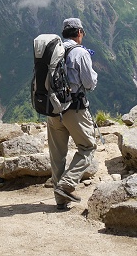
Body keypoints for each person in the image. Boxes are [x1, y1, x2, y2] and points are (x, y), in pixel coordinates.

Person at [47, 17, 98, 210]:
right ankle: (67, 185)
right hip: (73, 109)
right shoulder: (80, 52)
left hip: (52, 109)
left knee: (57, 155)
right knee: (87, 147)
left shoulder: (53, 51)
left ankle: (60, 199)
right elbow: (89, 83)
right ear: (79, 33)